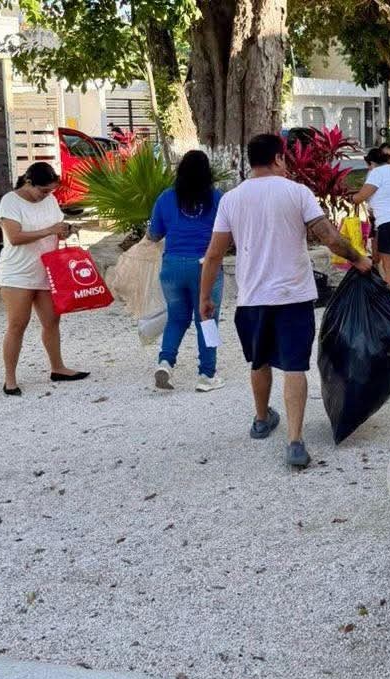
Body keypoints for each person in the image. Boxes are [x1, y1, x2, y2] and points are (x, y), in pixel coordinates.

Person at [199, 134, 372, 469]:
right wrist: (358, 259)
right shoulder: (297, 193)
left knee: (259, 361)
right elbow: (329, 236)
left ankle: (261, 420)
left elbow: (215, 254)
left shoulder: (231, 199)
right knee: (294, 367)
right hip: (294, 297)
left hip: (252, 298)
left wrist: (205, 297)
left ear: (251, 161)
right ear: (278, 158)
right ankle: (295, 441)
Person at [0, 162, 89, 396]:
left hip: (47, 270)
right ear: (29, 182)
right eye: (43, 190)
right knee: (18, 324)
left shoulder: (50, 200)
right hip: (17, 273)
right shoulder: (10, 201)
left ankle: (58, 368)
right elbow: (15, 237)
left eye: (50, 191)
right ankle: (10, 379)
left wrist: (65, 230)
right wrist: (50, 230)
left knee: (52, 321)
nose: (47, 195)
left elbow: (56, 229)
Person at [148, 150, 225, 393]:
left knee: (177, 318)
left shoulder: (166, 197)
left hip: (172, 267)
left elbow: (154, 235)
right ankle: (207, 374)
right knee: (207, 318)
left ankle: (165, 362)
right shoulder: (217, 198)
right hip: (205, 265)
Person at [352, 147, 390, 301]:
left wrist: (351, 197)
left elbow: (360, 197)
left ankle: (389, 305)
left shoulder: (377, 173)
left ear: (372, 163)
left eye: (369, 166)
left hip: (389, 224)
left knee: (389, 269)